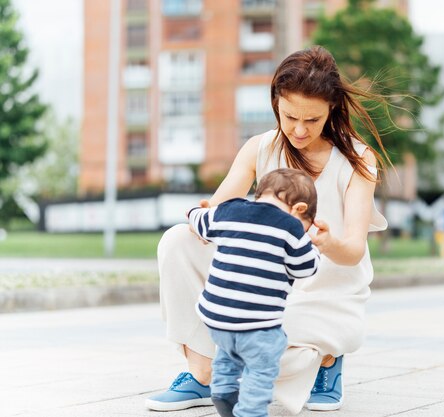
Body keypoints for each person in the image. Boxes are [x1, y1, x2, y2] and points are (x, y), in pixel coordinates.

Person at [146, 45, 389, 414]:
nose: (299, 129)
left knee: (259, 341)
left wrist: (328, 242)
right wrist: (203, 214)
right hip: (264, 291)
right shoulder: (260, 147)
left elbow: (353, 249)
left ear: (332, 110)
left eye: (312, 120)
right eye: (290, 116)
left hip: (325, 299)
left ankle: (326, 359)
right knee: (178, 240)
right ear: (276, 101)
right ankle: (202, 371)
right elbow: (217, 213)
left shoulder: (358, 160)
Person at [182, 168, 320, 417]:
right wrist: (313, 245)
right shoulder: (291, 227)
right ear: (300, 209)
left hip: (217, 318)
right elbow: (305, 268)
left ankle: (223, 391)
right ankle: (251, 411)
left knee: (228, 351)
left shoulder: (229, 210)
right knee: (262, 367)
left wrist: (196, 212)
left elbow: (198, 219)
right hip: (257, 325)